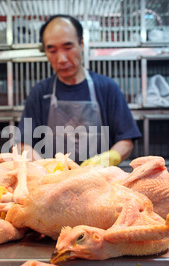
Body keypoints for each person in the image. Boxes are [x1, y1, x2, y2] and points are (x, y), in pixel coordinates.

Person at [17, 14, 141, 166]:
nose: (62, 59)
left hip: (98, 181)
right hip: (52, 184)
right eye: (52, 50)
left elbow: (126, 140)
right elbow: (22, 144)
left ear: (81, 44)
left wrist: (107, 160)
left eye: (68, 47)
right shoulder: (40, 92)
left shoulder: (107, 88)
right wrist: (45, 168)